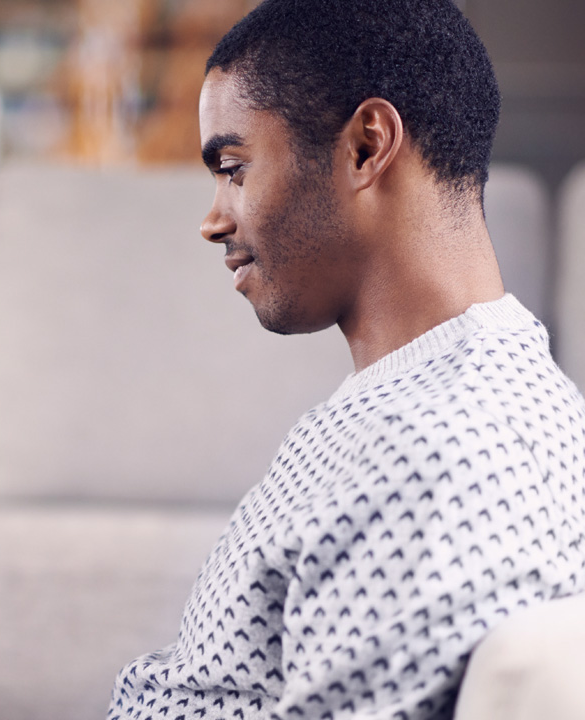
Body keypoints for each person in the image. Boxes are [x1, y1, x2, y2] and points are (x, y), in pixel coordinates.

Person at [109, 1, 585, 718]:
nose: (213, 219)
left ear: (366, 146)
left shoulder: (433, 450)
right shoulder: (440, 395)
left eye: (234, 168)